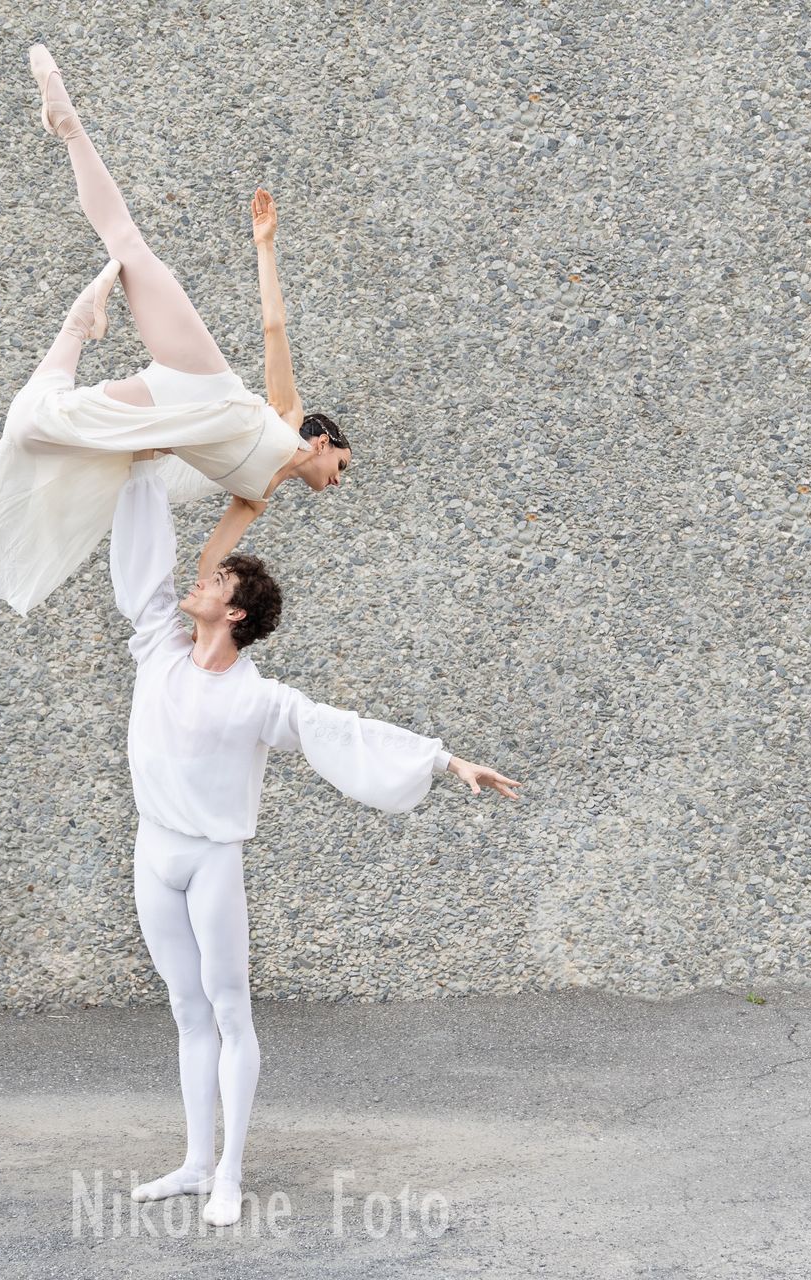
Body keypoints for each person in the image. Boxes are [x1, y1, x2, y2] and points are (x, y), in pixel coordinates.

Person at [108, 457, 522, 1228]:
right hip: (152, 852)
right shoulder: (156, 647)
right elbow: (144, 560)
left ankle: (229, 1173)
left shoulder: (262, 699)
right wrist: (140, 472)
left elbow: (345, 732)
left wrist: (444, 759)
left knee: (231, 1011)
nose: (200, 582)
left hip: (210, 861)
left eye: (217, 581)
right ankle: (196, 1163)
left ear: (234, 613)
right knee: (185, 1009)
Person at [0, 43, 353, 616]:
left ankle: (77, 325)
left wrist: (199, 620)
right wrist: (264, 245)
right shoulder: (289, 415)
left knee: (32, 429)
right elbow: (274, 326)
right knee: (126, 244)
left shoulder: (256, 499)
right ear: (321, 442)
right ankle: (68, 124)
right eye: (341, 466)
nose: (338, 480)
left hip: (161, 419)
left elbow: (208, 564)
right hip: (201, 375)